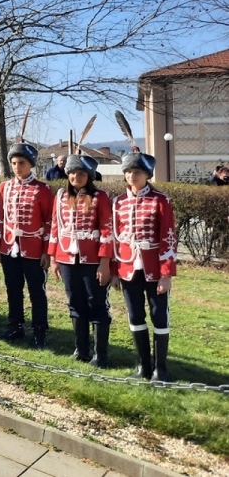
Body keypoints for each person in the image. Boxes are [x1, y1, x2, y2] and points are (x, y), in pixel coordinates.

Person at [112, 150, 177, 382]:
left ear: (147, 174)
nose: (131, 176)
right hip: (128, 268)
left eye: (137, 172)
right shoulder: (118, 202)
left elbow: (169, 238)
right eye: (128, 171)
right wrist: (114, 272)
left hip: (154, 268)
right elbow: (115, 239)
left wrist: (166, 274)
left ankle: (161, 369)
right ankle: (143, 367)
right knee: (135, 315)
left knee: (159, 317)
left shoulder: (160, 200)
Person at [49, 155, 113, 367]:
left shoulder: (100, 197)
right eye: (73, 173)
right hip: (66, 257)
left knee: (96, 303)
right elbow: (55, 228)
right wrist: (53, 258)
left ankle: (100, 355)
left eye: (82, 173)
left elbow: (107, 230)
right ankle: (81, 350)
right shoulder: (60, 196)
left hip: (92, 259)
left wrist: (105, 262)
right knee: (75, 303)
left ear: (89, 176)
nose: (76, 176)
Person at [0, 143, 54, 347]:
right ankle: (16, 326)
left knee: (36, 291)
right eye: (13, 163)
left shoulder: (42, 189)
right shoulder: (5, 187)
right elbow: (1, 218)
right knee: (13, 288)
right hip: (9, 247)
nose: (17, 167)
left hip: (34, 249)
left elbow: (49, 221)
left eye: (21, 163)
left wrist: (47, 252)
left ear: (30, 164)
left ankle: (39, 330)